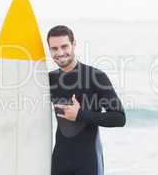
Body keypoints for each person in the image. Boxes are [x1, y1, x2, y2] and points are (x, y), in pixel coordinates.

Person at [47, 25, 126, 175]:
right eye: (54, 49)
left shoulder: (95, 77)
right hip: (59, 161)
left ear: (74, 44)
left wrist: (80, 115)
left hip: (88, 162)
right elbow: (18, 98)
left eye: (64, 46)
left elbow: (119, 118)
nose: (60, 53)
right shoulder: (48, 80)